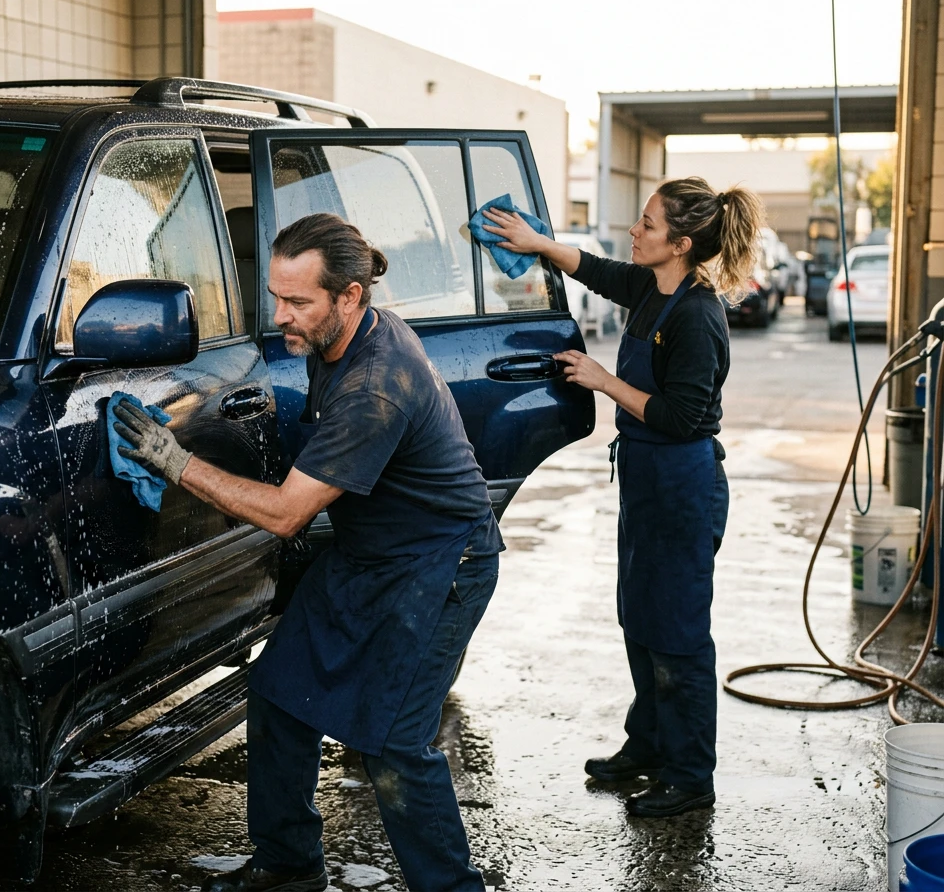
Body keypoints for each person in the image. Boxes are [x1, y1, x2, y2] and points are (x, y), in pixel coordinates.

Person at [113, 212, 503, 890]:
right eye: (276, 296)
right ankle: (289, 868)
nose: (282, 315)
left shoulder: (376, 385)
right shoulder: (340, 341)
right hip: (369, 554)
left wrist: (177, 463)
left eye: (299, 302)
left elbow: (289, 514)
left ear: (349, 297)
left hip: (441, 566)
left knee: (395, 747)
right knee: (279, 695)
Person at [483, 177, 763, 818]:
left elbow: (681, 416)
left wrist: (603, 381)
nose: (634, 232)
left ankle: (691, 776)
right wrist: (536, 243)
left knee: (679, 634)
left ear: (682, 244)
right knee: (639, 616)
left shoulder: (697, 316)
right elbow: (598, 271)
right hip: (644, 476)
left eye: (648, 224)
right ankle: (648, 745)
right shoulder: (649, 286)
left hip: (682, 482)